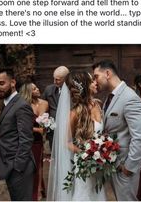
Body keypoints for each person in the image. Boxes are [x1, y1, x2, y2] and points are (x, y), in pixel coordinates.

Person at [92, 60, 141, 201]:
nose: (95, 81)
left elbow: (140, 136)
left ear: (108, 73)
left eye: (96, 76)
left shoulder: (130, 98)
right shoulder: (110, 97)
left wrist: (129, 167)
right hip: (114, 163)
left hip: (125, 166)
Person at [47, 71, 106, 201]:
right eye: (91, 81)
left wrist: (106, 148)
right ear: (84, 86)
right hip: (84, 165)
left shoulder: (98, 104)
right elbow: (66, 141)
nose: (95, 82)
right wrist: (85, 153)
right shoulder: (75, 113)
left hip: (98, 164)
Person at [0, 67, 35, 201]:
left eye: (1, 83)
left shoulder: (21, 105)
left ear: (12, 82)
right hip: (10, 166)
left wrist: (17, 167)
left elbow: (26, 139)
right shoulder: (7, 103)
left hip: (19, 169)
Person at [19, 82, 49, 201]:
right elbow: (20, 126)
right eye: (34, 89)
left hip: (38, 141)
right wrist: (37, 129)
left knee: (38, 166)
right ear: (28, 93)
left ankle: (37, 192)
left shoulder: (45, 103)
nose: (37, 89)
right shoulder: (23, 106)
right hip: (26, 141)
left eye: (37, 87)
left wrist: (47, 127)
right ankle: (33, 192)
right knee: (29, 168)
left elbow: (46, 121)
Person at [42, 65, 69, 150]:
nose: (54, 81)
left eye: (57, 79)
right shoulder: (48, 89)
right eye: (54, 78)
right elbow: (43, 106)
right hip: (53, 131)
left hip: (68, 131)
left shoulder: (72, 91)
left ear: (66, 78)